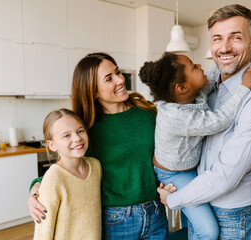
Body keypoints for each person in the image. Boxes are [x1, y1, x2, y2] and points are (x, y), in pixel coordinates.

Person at [157, 4, 251, 240]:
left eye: (236, 37)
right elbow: (225, 63)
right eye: (217, 39)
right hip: (199, 201)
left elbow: (225, 176)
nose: (224, 47)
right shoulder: (210, 82)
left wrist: (173, 199)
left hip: (233, 216)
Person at [28, 52, 169, 239]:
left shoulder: (148, 112)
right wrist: (36, 187)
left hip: (156, 212)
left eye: (118, 73)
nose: (120, 80)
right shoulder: (85, 128)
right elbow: (65, 167)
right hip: (115, 221)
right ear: (93, 91)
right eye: (109, 78)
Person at [139, 52, 251, 240]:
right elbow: (220, 120)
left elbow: (217, 71)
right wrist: (246, 85)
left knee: (197, 225)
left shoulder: (194, 92)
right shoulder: (176, 116)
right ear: (182, 87)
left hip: (191, 170)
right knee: (209, 231)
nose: (200, 66)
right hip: (174, 175)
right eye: (193, 66)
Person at [33, 108, 102, 239]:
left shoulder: (96, 166)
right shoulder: (54, 177)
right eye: (67, 135)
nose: (77, 138)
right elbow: (43, 232)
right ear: (52, 145)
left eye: (80, 131)